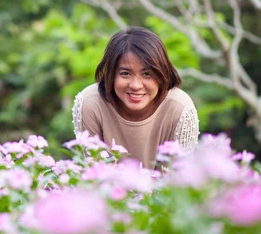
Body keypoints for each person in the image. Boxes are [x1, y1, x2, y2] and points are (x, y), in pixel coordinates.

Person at [72, 26, 199, 169]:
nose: (136, 85)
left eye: (147, 74)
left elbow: (182, 178)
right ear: (111, 74)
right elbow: (91, 174)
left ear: (162, 74)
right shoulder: (90, 103)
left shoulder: (180, 108)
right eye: (125, 73)